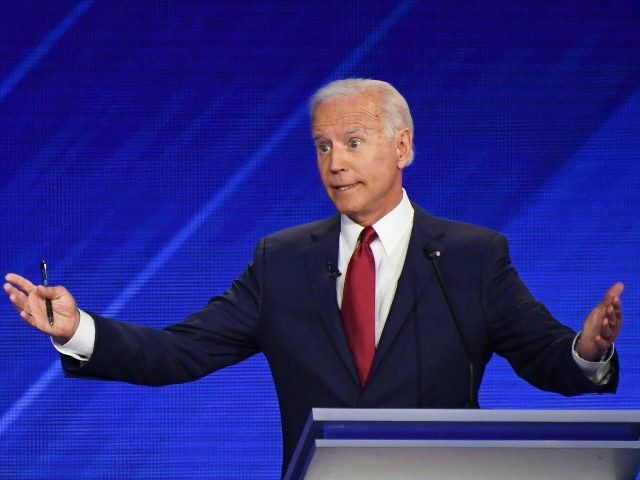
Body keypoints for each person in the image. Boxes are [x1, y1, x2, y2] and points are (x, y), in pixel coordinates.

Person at [4, 78, 624, 475]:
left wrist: (587, 349)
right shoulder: (283, 261)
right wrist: (79, 330)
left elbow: (547, 359)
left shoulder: (470, 256)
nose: (334, 163)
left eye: (353, 142)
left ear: (402, 147)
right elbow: (181, 351)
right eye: (322, 146)